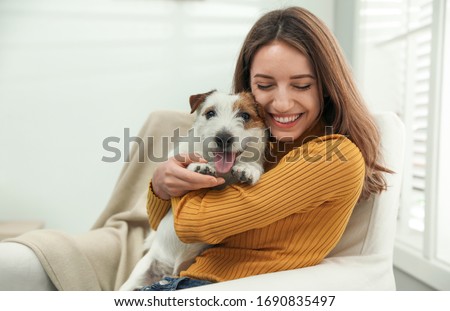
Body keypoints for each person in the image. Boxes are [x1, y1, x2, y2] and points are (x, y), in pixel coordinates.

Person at [0, 7, 390, 291]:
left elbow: (196, 225)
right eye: (265, 85)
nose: (281, 104)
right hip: (186, 274)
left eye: (301, 85)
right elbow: (159, 223)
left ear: (326, 86)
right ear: (247, 86)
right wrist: (159, 184)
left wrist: (179, 183)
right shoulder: (263, 144)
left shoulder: (332, 156)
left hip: (221, 288)